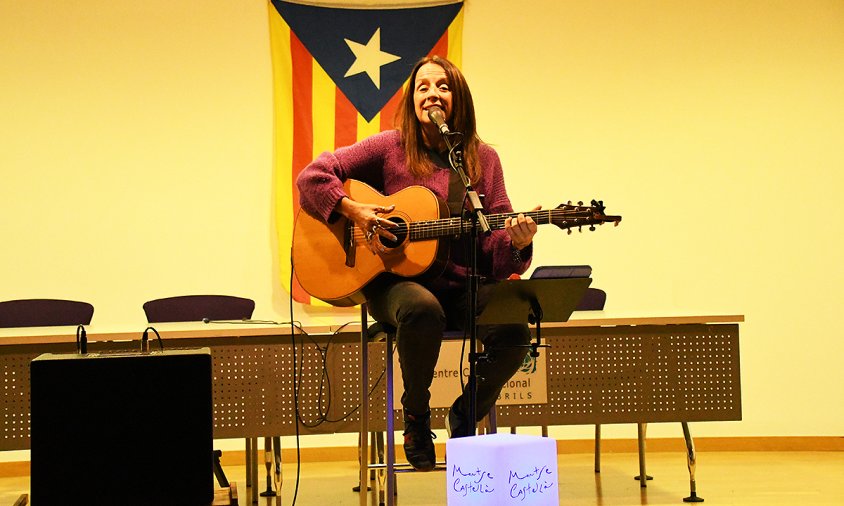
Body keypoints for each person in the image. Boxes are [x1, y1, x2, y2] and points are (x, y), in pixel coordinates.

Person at [296, 55, 539, 471]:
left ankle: (464, 413)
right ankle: (416, 415)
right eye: (422, 88)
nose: (432, 94)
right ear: (412, 101)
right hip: (394, 284)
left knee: (515, 330)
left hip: (462, 284)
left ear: (458, 99)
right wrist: (353, 211)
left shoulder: (482, 160)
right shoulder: (388, 147)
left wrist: (517, 244)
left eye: (442, 86)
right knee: (422, 309)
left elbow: (495, 253)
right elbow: (312, 176)